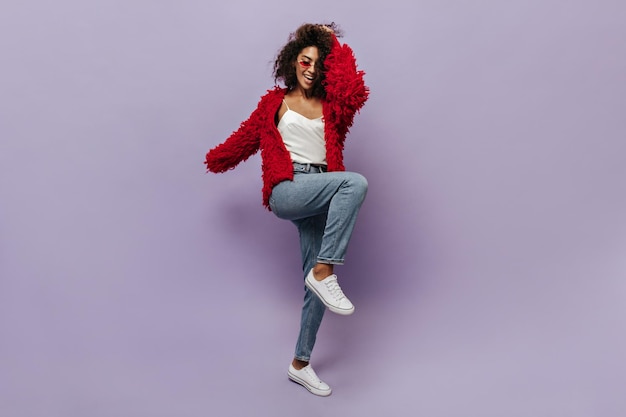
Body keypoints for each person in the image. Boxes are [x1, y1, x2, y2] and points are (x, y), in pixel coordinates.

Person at [204, 23, 369, 397]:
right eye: (305, 60)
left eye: (318, 62)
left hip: (320, 192)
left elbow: (355, 90)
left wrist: (331, 42)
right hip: (288, 187)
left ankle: (300, 364)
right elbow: (245, 138)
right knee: (355, 183)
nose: (311, 68)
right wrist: (215, 160)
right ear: (292, 61)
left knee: (314, 290)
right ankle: (326, 271)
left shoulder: (333, 107)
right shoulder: (273, 103)